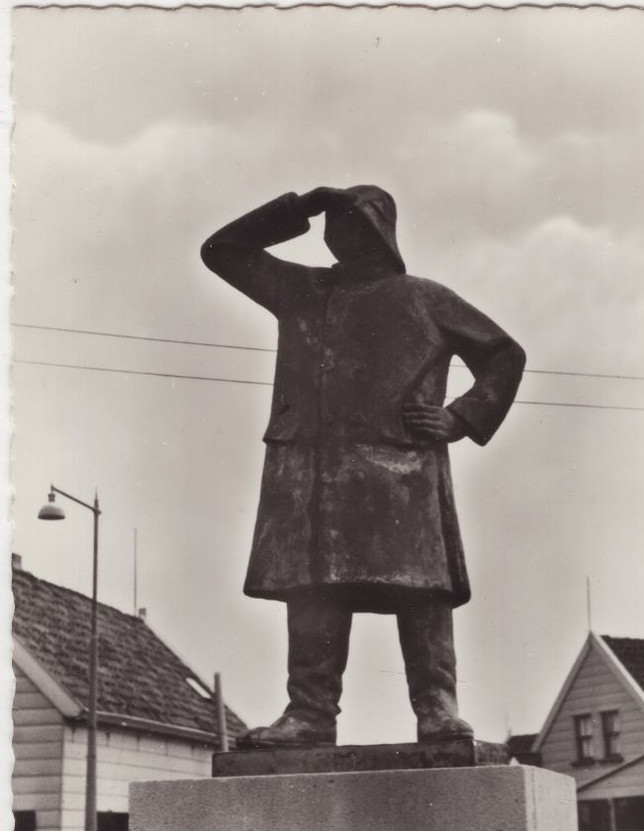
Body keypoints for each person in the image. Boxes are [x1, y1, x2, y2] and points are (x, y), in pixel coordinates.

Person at [201, 186, 525, 748]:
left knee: (421, 590)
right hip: (311, 472)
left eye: (350, 222)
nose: (338, 234)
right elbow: (222, 250)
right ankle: (310, 713)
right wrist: (298, 206)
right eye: (332, 223)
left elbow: (503, 353)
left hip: (399, 471)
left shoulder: (425, 298)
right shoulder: (300, 290)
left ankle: (437, 707)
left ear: (380, 231)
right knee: (312, 590)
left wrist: (460, 418)